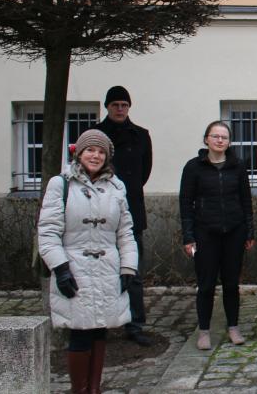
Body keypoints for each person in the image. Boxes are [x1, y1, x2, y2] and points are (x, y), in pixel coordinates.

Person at [37, 129, 138, 394]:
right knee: (80, 332)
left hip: (107, 268)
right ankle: (79, 390)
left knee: (100, 330)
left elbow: (125, 231)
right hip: (75, 268)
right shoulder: (61, 184)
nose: (95, 155)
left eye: (101, 151)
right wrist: (60, 268)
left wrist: (128, 266)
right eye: (90, 150)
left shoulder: (116, 186)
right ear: (79, 153)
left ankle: (95, 389)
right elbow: (48, 232)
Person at [179, 121, 256, 350]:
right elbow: (185, 203)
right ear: (206, 139)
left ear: (229, 142)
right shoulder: (194, 167)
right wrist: (188, 236)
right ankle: (204, 330)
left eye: (224, 137)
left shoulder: (238, 166)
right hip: (205, 233)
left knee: (231, 283)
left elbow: (246, 200)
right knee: (206, 284)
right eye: (215, 136)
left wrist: (249, 230)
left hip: (234, 231)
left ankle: (233, 327)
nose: (220, 140)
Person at [93, 85, 154, 347]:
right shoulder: (95, 135)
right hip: (98, 213)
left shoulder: (141, 135)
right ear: (107, 106)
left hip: (131, 210)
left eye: (124, 105)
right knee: (99, 270)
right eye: (115, 104)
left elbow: (144, 171)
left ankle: (135, 323)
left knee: (134, 271)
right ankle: (100, 322)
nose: (120, 109)